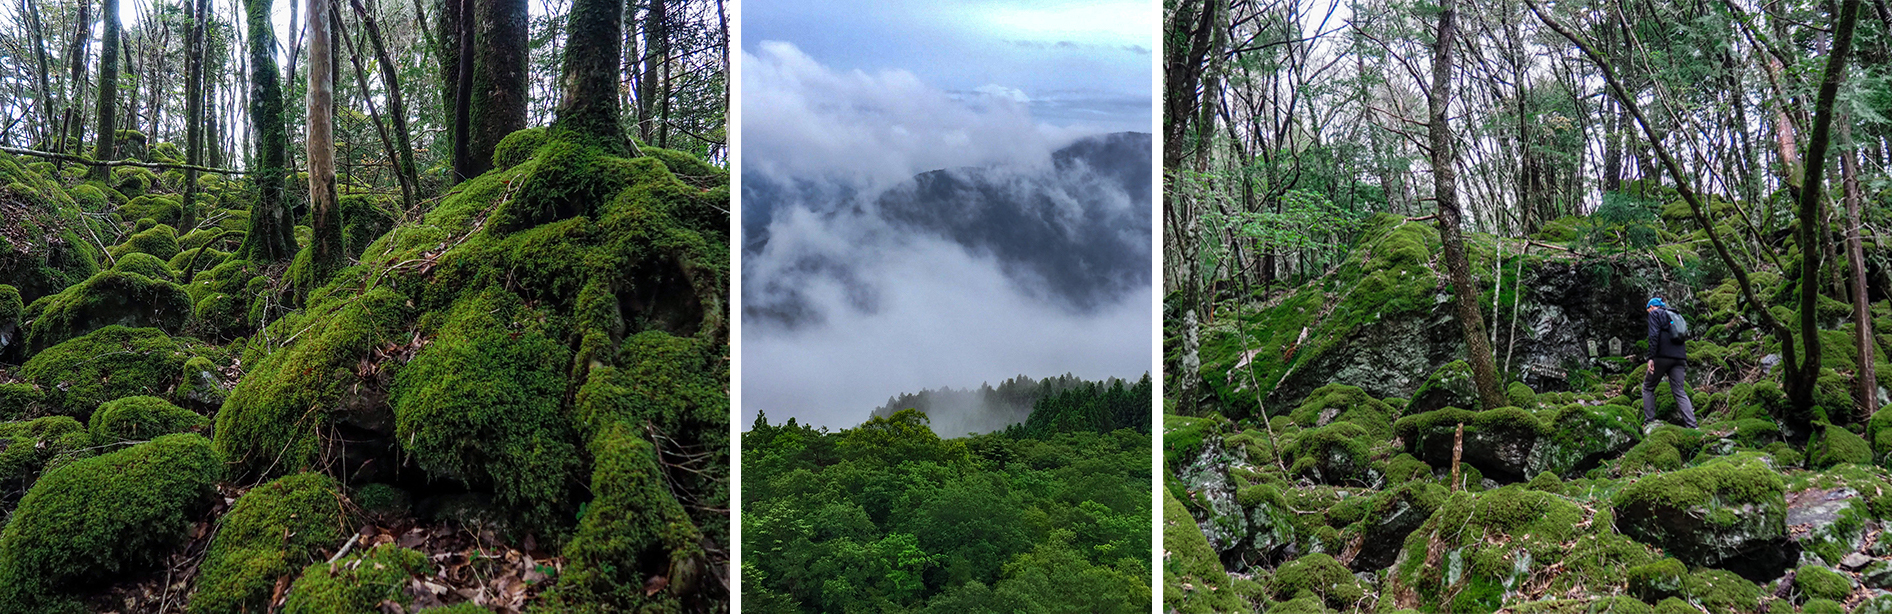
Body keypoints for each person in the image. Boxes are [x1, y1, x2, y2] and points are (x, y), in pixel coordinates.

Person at [1643, 297, 1697, 428]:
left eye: (1648, 310)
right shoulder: (1675, 315)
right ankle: (1693, 425)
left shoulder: (1655, 314)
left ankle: (1649, 422)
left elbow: (1654, 335)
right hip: (1679, 357)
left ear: (1651, 307)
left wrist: (1651, 357)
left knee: (1648, 387)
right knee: (1679, 391)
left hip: (1662, 356)